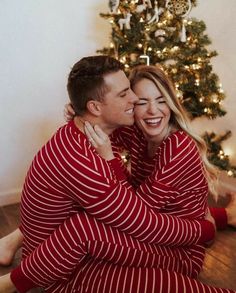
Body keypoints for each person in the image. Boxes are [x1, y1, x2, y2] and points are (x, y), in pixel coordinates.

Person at [0, 56, 234, 293]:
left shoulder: (174, 146)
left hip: (174, 244)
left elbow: (141, 217)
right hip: (127, 242)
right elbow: (138, 217)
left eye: (161, 100)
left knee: (87, 227)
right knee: (89, 227)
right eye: (131, 97)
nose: (134, 101)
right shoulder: (133, 132)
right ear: (94, 107)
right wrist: (79, 113)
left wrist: (204, 229)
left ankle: (11, 281)